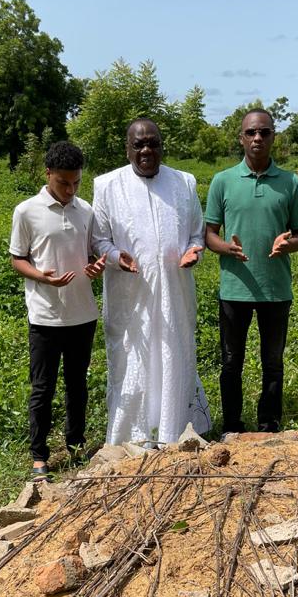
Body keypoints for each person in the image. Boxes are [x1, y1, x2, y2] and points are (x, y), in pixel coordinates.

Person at [91, 118, 210, 445]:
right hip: (130, 294)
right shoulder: (107, 185)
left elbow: (196, 233)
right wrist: (116, 257)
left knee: (174, 353)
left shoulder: (184, 182)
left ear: (162, 146)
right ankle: (133, 435)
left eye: (153, 143)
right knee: (133, 359)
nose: (146, 150)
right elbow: (99, 239)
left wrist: (193, 252)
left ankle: (175, 430)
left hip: (175, 290)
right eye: (139, 144)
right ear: (127, 149)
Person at [205, 109, 298, 434]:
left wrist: (286, 244)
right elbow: (209, 235)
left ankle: (268, 424)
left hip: (275, 289)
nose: (257, 138)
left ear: (273, 136)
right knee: (231, 362)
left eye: (264, 132)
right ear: (241, 138)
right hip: (234, 288)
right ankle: (232, 425)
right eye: (251, 132)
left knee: (273, 363)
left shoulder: (291, 182)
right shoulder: (223, 181)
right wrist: (227, 248)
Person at [9, 141, 105, 478]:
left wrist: (96, 266)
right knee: (43, 387)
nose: (70, 190)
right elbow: (17, 258)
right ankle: (39, 456)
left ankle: (76, 445)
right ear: (48, 173)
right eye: (63, 182)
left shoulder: (86, 210)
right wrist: (41, 277)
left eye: (76, 182)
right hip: (45, 316)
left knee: (77, 384)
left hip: (82, 314)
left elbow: (91, 253)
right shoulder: (26, 211)